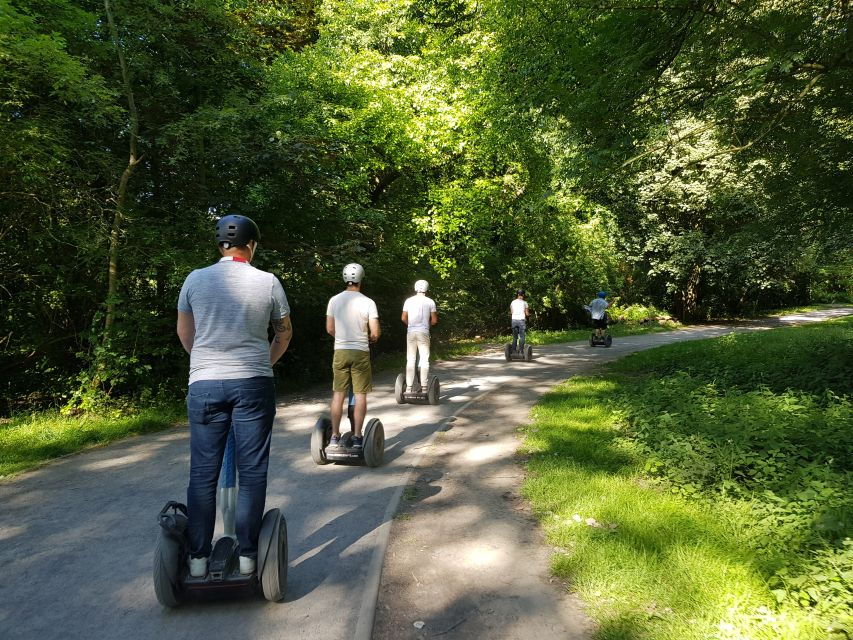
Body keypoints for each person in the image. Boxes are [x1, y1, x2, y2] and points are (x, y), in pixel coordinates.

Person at [176, 214, 292, 579]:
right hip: (253, 383)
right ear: (252, 245)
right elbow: (284, 334)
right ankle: (247, 557)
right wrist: (264, 363)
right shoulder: (268, 282)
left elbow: (185, 333)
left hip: (205, 384)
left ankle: (196, 559)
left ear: (220, 245)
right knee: (253, 472)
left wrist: (205, 365)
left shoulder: (195, 279)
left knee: (202, 474)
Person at [325, 263, 380, 448]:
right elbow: (375, 332)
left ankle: (334, 436)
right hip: (360, 352)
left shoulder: (334, 300)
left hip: (340, 351)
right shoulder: (368, 302)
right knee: (360, 394)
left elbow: (330, 329)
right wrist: (370, 338)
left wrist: (343, 337)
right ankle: (357, 436)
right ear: (361, 279)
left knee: (338, 394)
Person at [401, 280, 438, 392]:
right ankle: (424, 387)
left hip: (411, 332)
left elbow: (403, 318)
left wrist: (411, 325)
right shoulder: (430, 302)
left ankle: (408, 387)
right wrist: (427, 326)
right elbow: (434, 320)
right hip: (424, 332)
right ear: (426, 289)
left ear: (415, 287)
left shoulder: (408, 301)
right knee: (424, 359)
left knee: (410, 359)